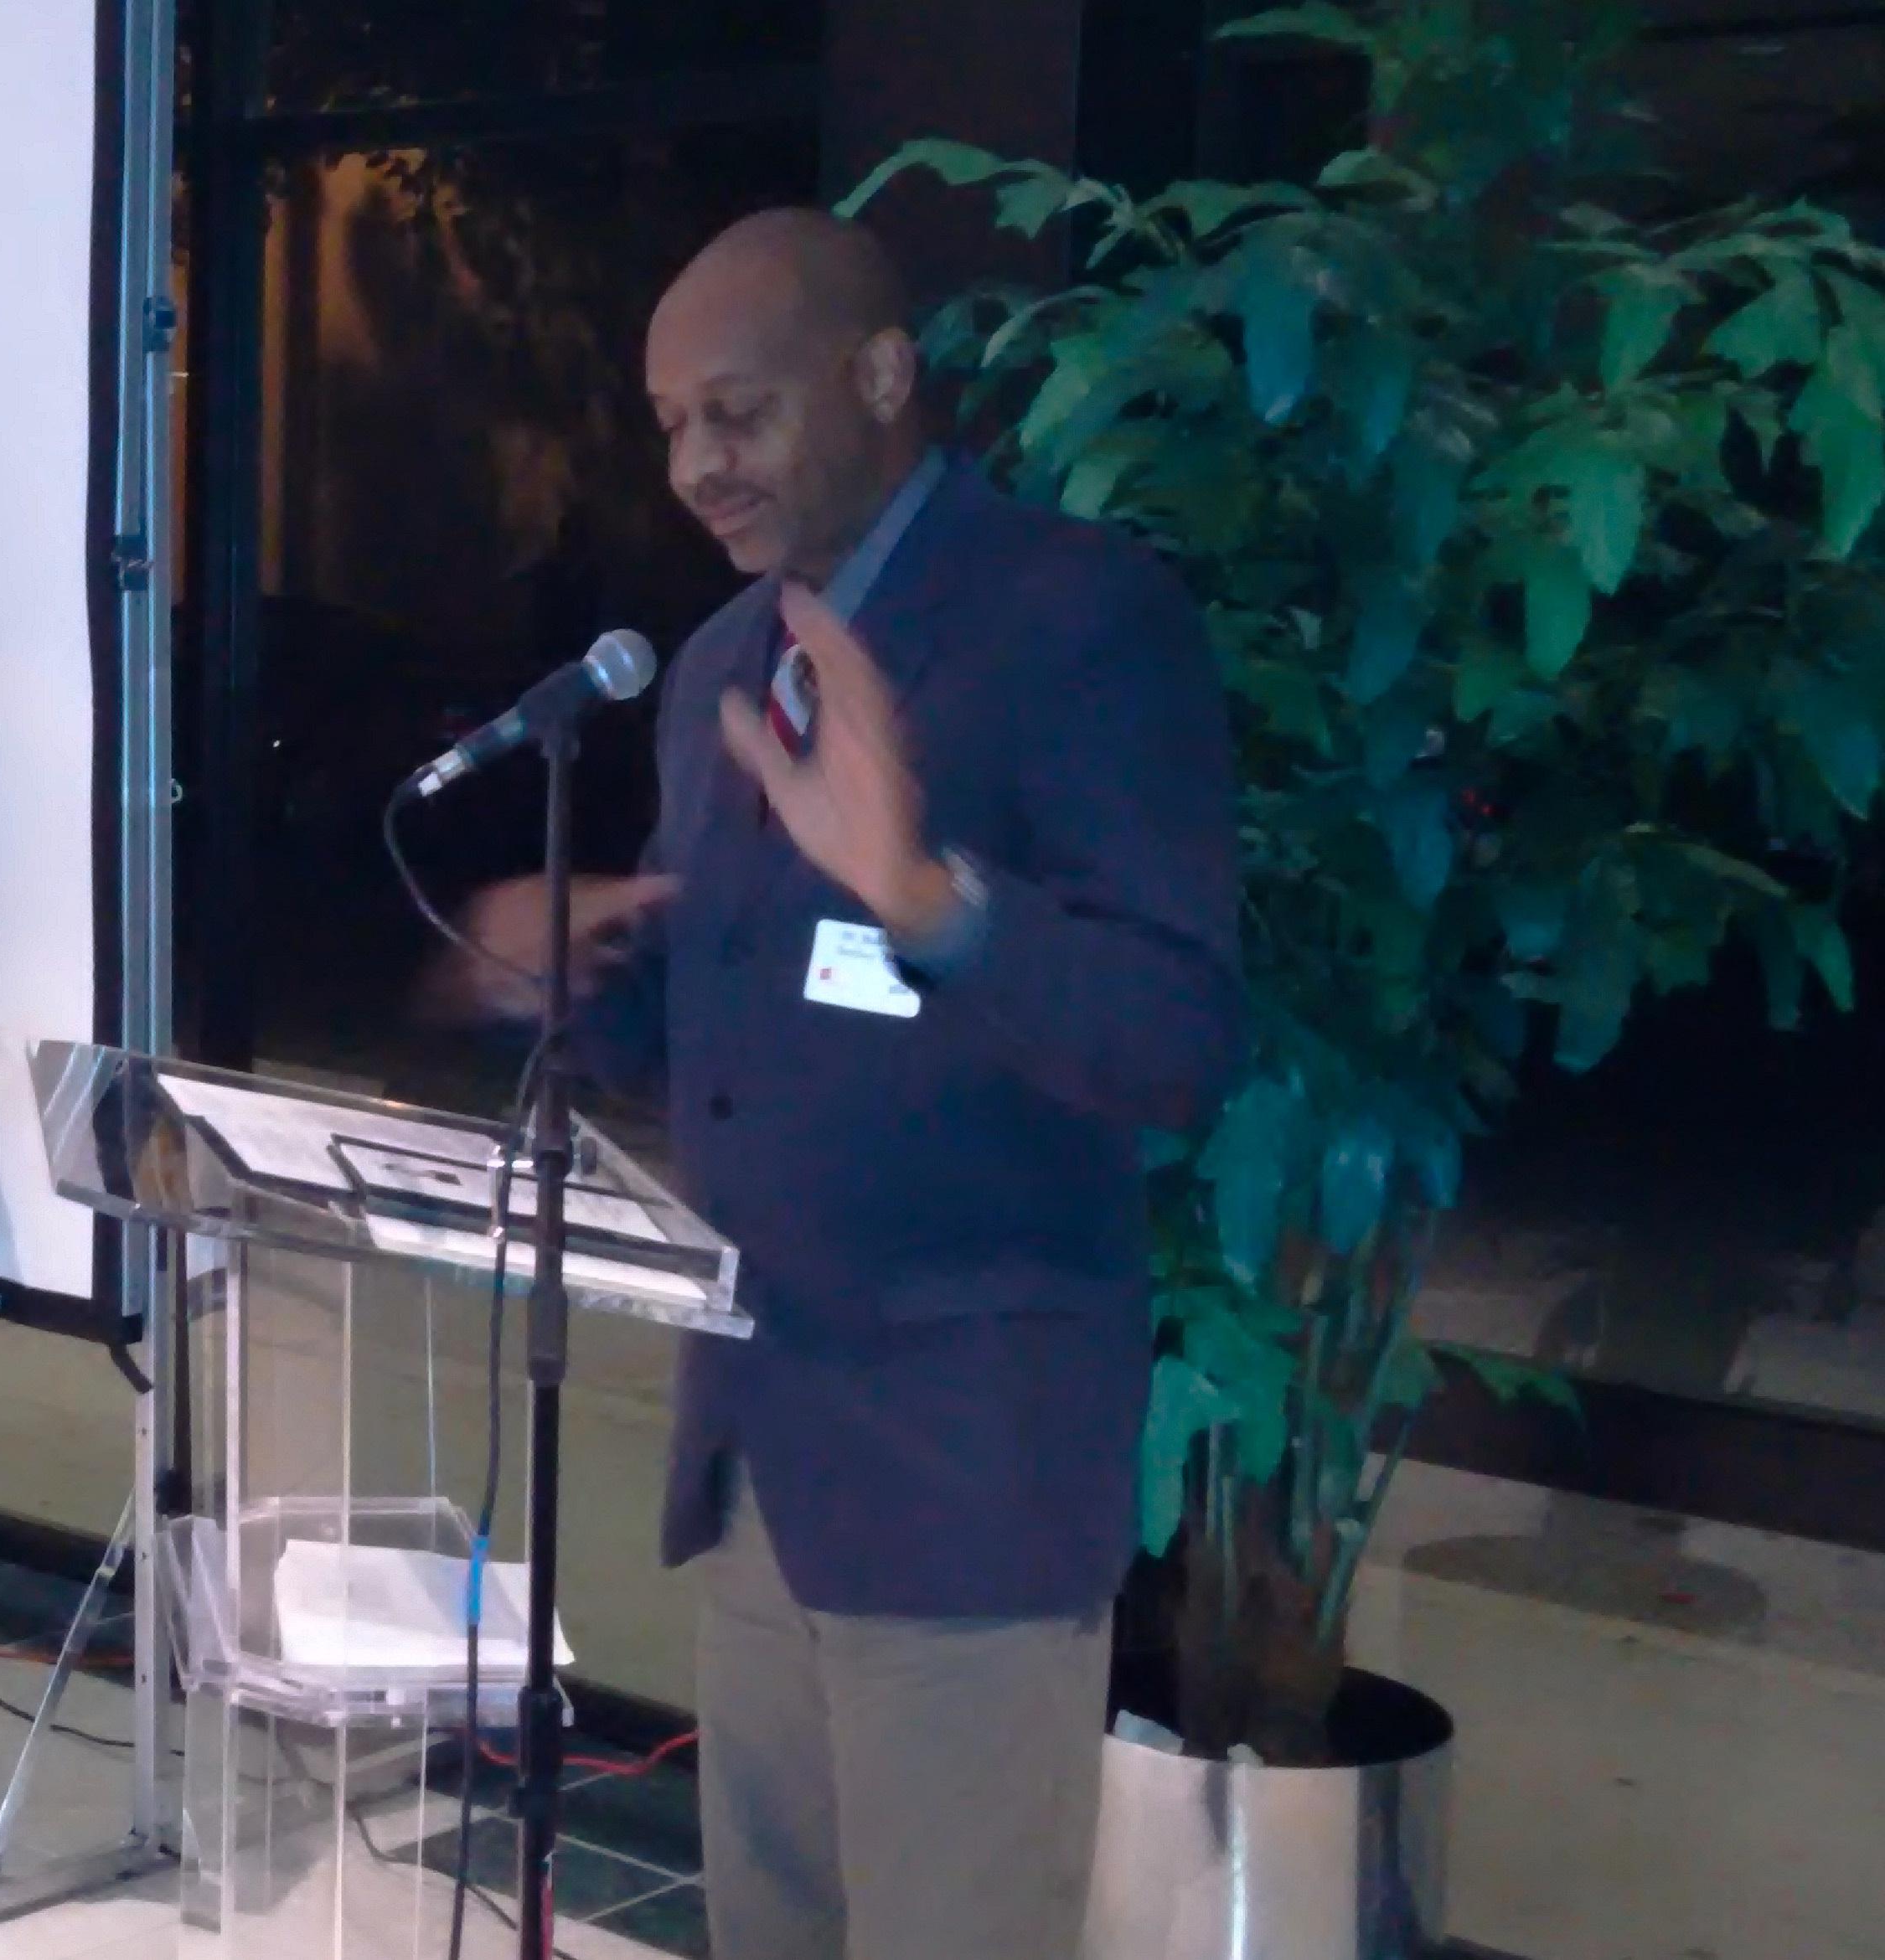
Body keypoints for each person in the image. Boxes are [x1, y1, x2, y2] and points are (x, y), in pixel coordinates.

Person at [452, 210, 1243, 1959]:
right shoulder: (726, 671)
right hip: (760, 1461)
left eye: (734, 413)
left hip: (966, 1469)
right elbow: (714, 1052)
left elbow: (1174, 1037)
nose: (692, 468)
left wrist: (930, 901)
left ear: (880, 378)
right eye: (668, 425)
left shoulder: (1078, 619)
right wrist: (566, 982)